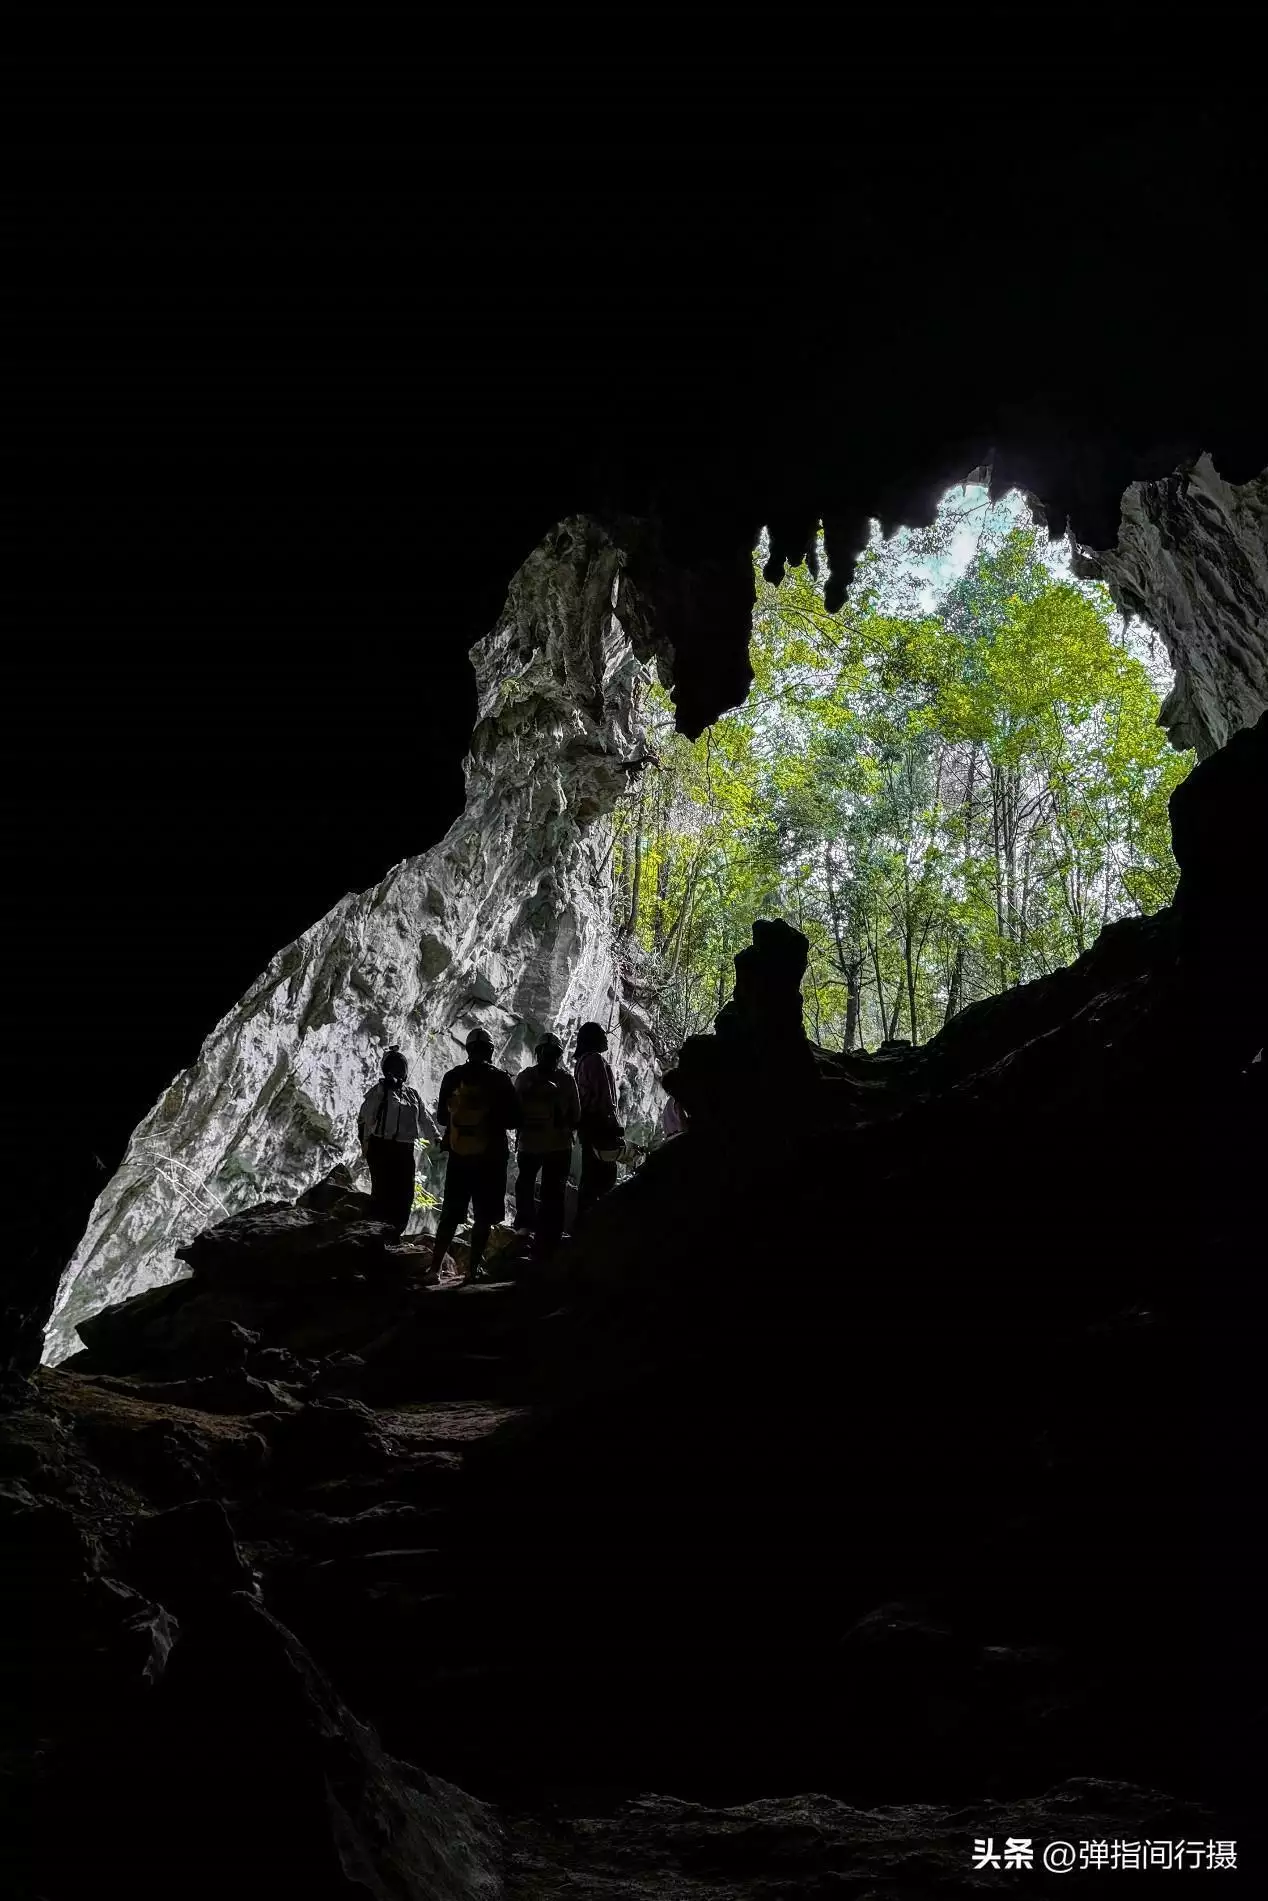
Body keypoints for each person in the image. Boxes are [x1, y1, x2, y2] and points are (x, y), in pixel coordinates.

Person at [430, 1027, 521, 1282]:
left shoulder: (453, 1077)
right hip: (491, 1157)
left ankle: (434, 1268)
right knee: (483, 1215)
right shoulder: (500, 1079)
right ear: (490, 1051)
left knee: (450, 1212)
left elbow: (440, 1117)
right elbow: (515, 1119)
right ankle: (471, 1271)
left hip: (460, 1155)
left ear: (468, 1050)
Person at [513, 1032, 580, 1253]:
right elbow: (577, 1115)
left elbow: (513, 1112)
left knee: (526, 1184)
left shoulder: (525, 1077)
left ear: (538, 1053)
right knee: (554, 1190)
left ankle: (524, 1226)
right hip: (558, 1145)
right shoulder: (566, 1080)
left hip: (530, 1143)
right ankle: (549, 1234)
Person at [357, 1045, 426, 1237]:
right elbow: (366, 1118)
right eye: (393, 1068)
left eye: (400, 1068)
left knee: (405, 1193)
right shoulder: (378, 1092)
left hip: (405, 1149)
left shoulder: (412, 1094)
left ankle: (395, 1232)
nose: (398, 1072)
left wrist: (436, 1138)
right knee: (382, 1190)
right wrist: (366, 1142)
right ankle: (376, 1232)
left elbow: (424, 1118)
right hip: (382, 1147)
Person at [573, 1021, 624, 1217]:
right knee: (605, 1178)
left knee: (590, 1177)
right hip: (600, 1126)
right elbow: (604, 1097)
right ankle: (590, 1225)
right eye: (602, 1033)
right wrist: (613, 1124)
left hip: (589, 1127)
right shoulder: (595, 1060)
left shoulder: (582, 1061)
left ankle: (582, 1223)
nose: (606, 1037)